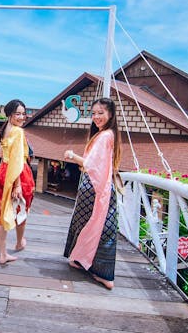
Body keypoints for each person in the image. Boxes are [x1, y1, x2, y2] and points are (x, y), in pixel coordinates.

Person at [63, 97, 122, 290]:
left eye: (101, 113)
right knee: (100, 227)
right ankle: (87, 265)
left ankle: (99, 271)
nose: (96, 117)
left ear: (110, 114)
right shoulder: (108, 134)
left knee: (90, 225)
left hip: (95, 190)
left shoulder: (104, 136)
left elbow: (91, 164)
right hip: (100, 188)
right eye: (94, 113)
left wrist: (71, 155)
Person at [0, 99, 35, 264]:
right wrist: (17, 184)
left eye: (23, 114)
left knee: (2, 212)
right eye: (17, 113)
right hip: (17, 175)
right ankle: (18, 243)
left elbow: (2, 154)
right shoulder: (18, 131)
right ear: (10, 114)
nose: (21, 117)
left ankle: (3, 252)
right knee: (21, 208)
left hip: (3, 172)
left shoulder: (6, 129)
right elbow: (17, 160)